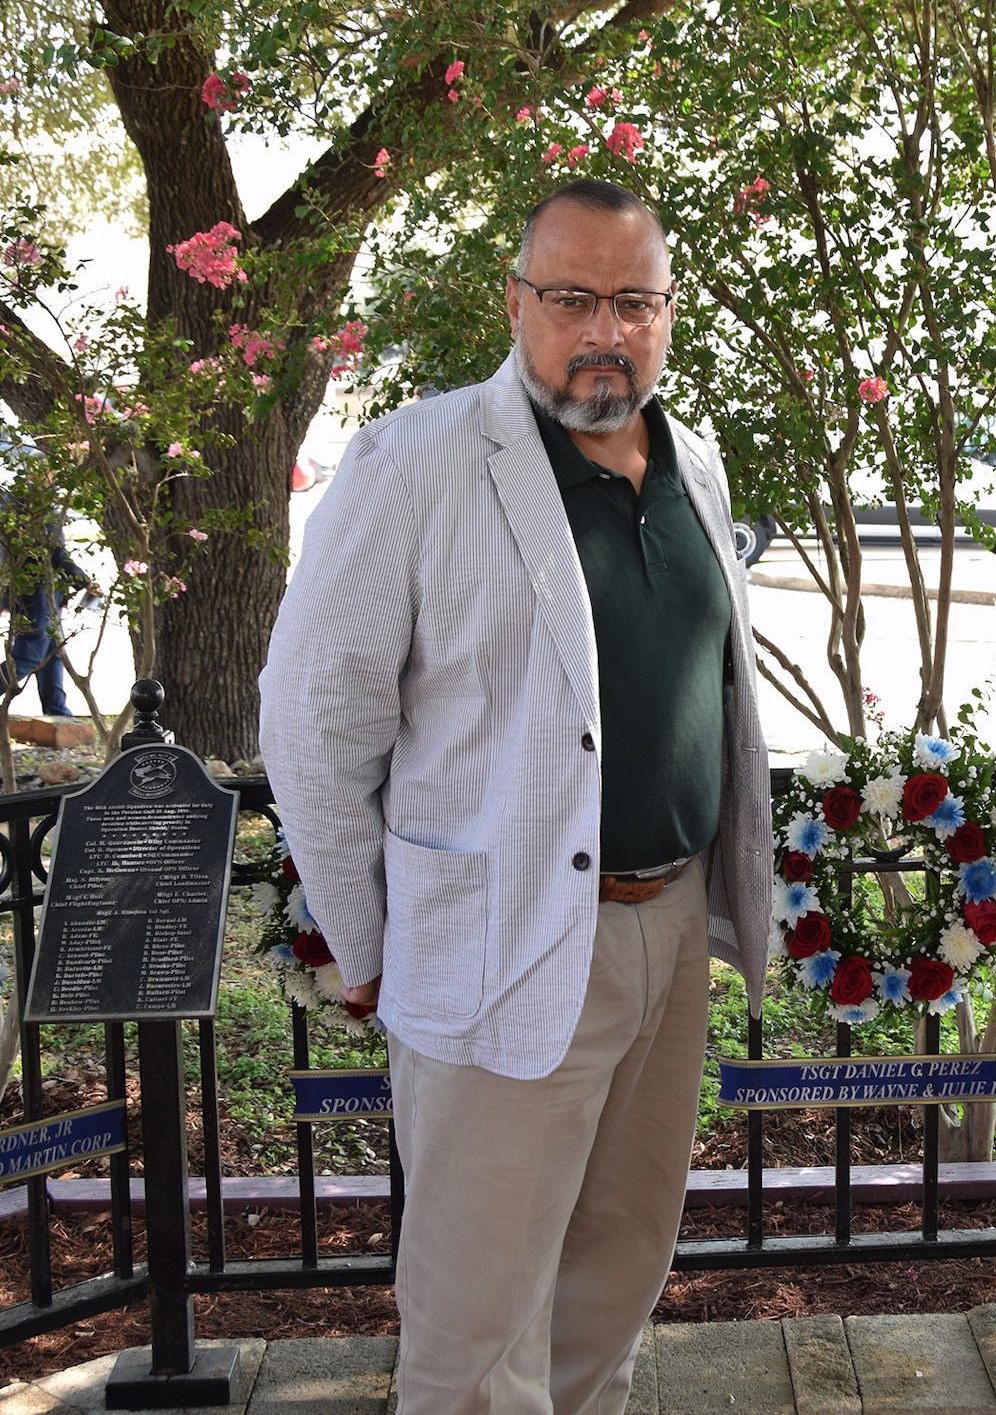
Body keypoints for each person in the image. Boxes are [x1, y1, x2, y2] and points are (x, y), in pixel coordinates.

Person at [257, 179, 771, 1415]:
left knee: (617, 1272)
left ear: (666, 311)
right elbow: (314, 721)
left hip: (665, 932)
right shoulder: (418, 462)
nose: (605, 329)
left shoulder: (687, 460)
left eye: (634, 301)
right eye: (573, 297)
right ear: (518, 302)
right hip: (498, 945)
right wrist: (367, 940)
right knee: (476, 1322)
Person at [0, 506, 96, 716]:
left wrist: (6, 595)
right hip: (40, 596)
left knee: (53, 653)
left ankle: (58, 711)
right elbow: (56, 552)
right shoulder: (40, 504)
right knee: (29, 655)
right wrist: (84, 582)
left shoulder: (12, 503)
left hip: (37, 595)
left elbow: (5, 554)